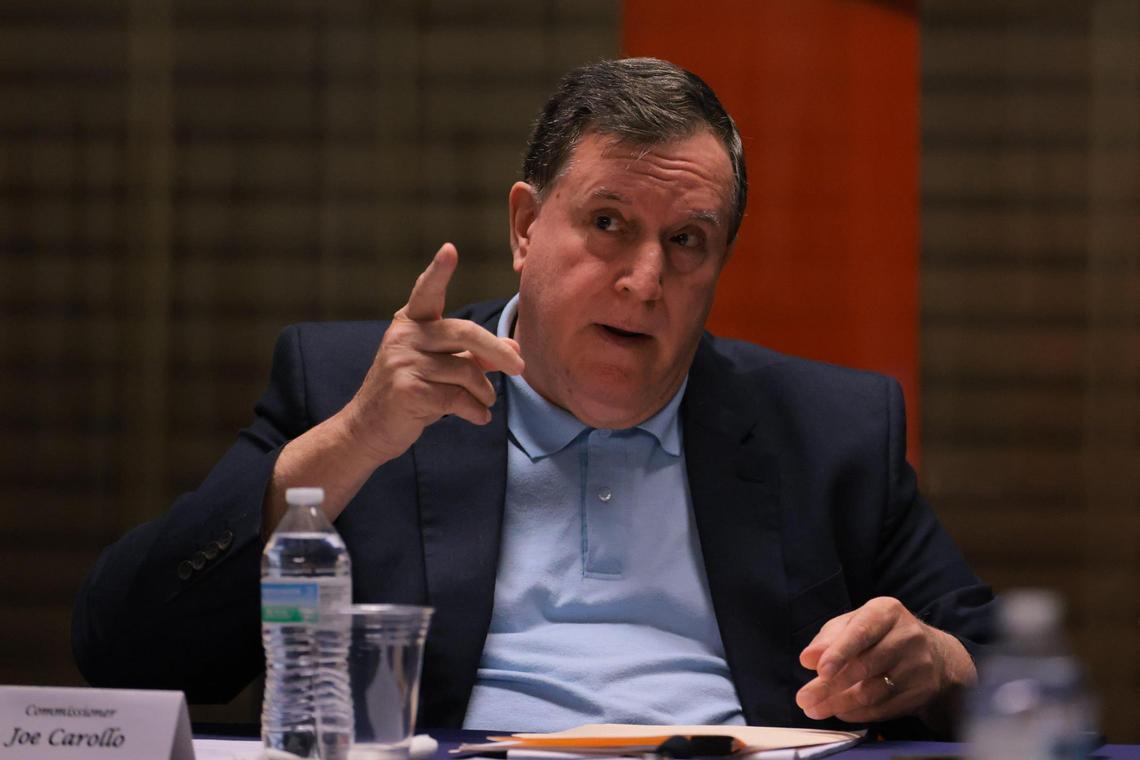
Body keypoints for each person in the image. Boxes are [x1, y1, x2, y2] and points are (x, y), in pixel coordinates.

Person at [72, 57, 994, 737]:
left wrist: (938, 664)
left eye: (687, 242)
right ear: (524, 227)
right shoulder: (355, 388)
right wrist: (355, 438)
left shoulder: (827, 428)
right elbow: (125, 654)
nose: (644, 279)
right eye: (607, 224)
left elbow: (1002, 669)